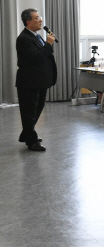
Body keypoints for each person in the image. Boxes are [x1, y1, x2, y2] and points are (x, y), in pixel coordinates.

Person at [15, 8, 57, 151]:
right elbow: (36, 57)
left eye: (40, 17)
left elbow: (43, 56)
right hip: (28, 82)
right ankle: (31, 141)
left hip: (39, 80)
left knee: (36, 110)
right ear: (28, 22)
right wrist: (49, 44)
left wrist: (47, 44)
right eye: (37, 18)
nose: (40, 20)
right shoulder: (23, 38)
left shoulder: (37, 36)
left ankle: (27, 134)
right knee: (29, 112)